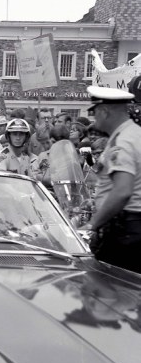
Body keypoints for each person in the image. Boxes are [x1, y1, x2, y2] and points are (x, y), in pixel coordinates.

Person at [80, 86, 141, 273]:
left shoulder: (121, 143)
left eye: (95, 112)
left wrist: (92, 224)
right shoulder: (136, 133)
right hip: (133, 227)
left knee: (108, 291)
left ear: (105, 112)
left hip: (125, 231)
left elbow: (122, 191)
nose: (93, 118)